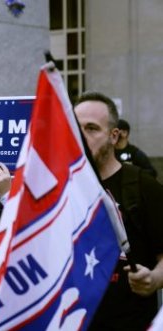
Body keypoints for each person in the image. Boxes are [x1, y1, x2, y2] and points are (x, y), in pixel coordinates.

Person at [73, 92, 163, 330]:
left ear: (114, 136)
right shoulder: (62, 190)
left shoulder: (143, 186)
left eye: (92, 129)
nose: (81, 136)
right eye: (76, 128)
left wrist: (153, 280)